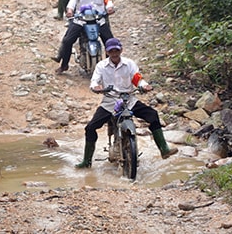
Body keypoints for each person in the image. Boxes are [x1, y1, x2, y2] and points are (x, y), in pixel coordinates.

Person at [75, 37, 179, 168]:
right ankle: (86, 161)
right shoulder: (101, 66)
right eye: (111, 51)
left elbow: (137, 78)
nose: (114, 53)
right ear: (107, 52)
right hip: (110, 101)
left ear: (121, 50)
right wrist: (97, 88)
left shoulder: (129, 64)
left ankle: (164, 149)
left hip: (128, 99)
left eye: (116, 50)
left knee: (152, 115)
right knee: (90, 128)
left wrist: (144, 85)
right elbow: (94, 81)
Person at [52, 0, 114, 74]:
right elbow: (73, 0)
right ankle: (64, 65)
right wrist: (70, 10)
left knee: (110, 41)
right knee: (67, 40)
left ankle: (111, 66)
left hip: (98, 18)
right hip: (81, 18)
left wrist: (109, 8)